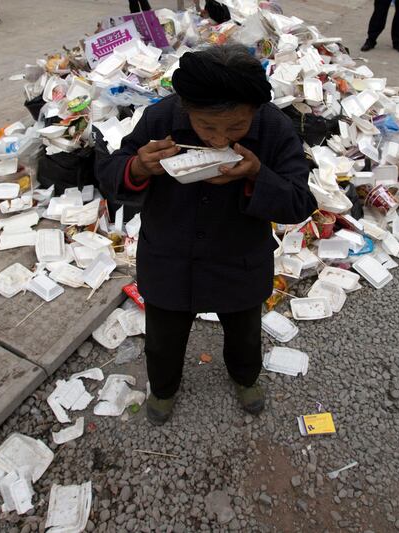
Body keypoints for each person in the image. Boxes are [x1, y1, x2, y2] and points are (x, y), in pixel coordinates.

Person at [96, 44, 318, 426]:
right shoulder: (160, 118)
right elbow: (111, 176)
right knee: (163, 339)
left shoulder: (274, 128)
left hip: (239, 259)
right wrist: (138, 167)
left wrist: (255, 174)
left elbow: (299, 201)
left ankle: (245, 378)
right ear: (185, 108)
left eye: (235, 128)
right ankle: (163, 389)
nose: (219, 139)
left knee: (245, 334)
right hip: (169, 257)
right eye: (207, 127)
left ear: (254, 111)